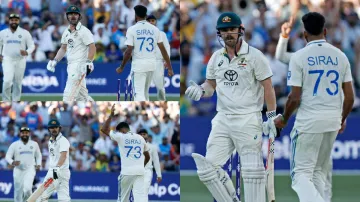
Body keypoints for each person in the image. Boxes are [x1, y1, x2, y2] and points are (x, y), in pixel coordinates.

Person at [185, 12, 278, 202]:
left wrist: (271, 116)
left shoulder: (255, 56)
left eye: (232, 29)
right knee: (207, 169)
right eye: (224, 30)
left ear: (240, 31)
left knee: (252, 174)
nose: (228, 33)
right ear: (219, 33)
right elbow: (211, 85)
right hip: (223, 119)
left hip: (248, 118)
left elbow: (268, 87)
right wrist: (201, 90)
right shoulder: (215, 57)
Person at [273, 12, 355, 202]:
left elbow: (294, 98)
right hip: (333, 120)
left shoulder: (300, 57)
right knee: (319, 172)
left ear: (304, 35)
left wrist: (284, 118)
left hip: (309, 121)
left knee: (300, 175)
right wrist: (341, 119)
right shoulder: (340, 56)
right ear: (325, 31)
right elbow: (350, 97)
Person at [116, 5, 174, 101]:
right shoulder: (155, 30)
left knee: (138, 94)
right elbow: (163, 50)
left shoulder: (132, 29)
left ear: (136, 16)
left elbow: (128, 51)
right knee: (145, 93)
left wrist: (122, 66)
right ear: (146, 16)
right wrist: (170, 67)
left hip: (139, 65)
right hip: (151, 64)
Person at [101, 104, 150, 202]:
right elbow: (147, 156)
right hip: (140, 171)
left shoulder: (121, 136)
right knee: (141, 199)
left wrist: (111, 116)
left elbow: (104, 129)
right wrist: (141, 165)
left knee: (122, 200)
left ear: (122, 130)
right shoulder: (140, 138)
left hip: (127, 172)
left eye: (118, 131)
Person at [46, 5, 96, 101]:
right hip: (71, 65)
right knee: (83, 98)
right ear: (67, 16)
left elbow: (92, 47)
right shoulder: (66, 32)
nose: (73, 16)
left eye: (75, 14)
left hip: (79, 66)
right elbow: (63, 48)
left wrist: (89, 62)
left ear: (79, 16)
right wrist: (55, 61)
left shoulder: (84, 31)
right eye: (70, 14)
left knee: (68, 97)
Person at [0, 13, 35, 101]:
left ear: (18, 21)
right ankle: (6, 100)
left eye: (16, 20)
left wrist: (27, 52)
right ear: (9, 21)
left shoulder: (25, 33)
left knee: (18, 82)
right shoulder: (3, 33)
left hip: (20, 60)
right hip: (7, 59)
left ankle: (16, 100)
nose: (14, 22)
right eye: (12, 20)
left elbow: (32, 46)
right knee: (7, 81)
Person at [37, 119, 71, 201]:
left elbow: (63, 156)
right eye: (52, 127)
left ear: (59, 128)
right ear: (49, 129)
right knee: (42, 195)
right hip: (53, 171)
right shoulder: (50, 141)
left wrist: (57, 168)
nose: (54, 129)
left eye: (56, 127)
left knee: (62, 198)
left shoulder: (63, 140)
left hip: (60, 171)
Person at [5, 127, 41, 202]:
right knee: (18, 192)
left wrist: (38, 164)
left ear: (29, 134)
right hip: (18, 170)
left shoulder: (34, 144)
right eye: (23, 132)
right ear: (20, 134)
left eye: (26, 133)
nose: (25, 134)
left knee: (27, 189)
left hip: (30, 169)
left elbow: (38, 155)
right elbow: (7, 156)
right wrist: (12, 162)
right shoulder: (14, 144)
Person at [146, 15, 171, 101]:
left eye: (153, 20)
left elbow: (167, 47)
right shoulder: (143, 35)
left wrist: (167, 61)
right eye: (149, 21)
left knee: (160, 86)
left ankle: (162, 101)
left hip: (158, 62)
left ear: (156, 22)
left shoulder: (162, 34)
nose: (151, 22)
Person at [138, 129, 162, 194]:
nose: (142, 135)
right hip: (136, 171)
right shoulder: (135, 147)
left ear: (147, 136)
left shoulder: (152, 147)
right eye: (141, 134)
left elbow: (156, 161)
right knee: (137, 192)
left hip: (147, 171)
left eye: (144, 134)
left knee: (145, 191)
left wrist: (159, 174)